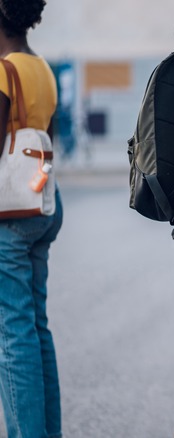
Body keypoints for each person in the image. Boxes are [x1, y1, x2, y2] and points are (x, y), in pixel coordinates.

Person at [0, 1, 63, 437]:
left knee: (12, 333)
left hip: (9, 214)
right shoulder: (42, 68)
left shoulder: (5, 72)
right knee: (35, 327)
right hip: (40, 206)